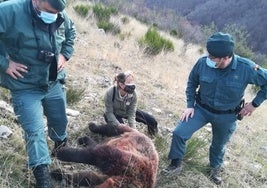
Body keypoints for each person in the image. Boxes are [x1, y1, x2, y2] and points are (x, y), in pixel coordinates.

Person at [162, 32, 267, 185]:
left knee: (218, 145)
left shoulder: (246, 68)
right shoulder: (202, 63)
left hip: (227, 116)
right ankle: (175, 163)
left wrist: (254, 104)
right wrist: (190, 106)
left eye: (213, 58)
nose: (208, 59)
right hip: (202, 110)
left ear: (225, 57)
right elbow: (192, 82)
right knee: (179, 133)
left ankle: (214, 169)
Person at [0, 0, 76, 187]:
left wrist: (63, 55)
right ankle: (42, 176)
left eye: (57, 13)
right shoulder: (8, 11)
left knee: (59, 121)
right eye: (49, 11)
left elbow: (70, 33)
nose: (54, 16)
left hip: (52, 82)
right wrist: (4, 63)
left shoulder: (59, 14)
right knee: (34, 132)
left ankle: (60, 147)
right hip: (24, 85)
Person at [103, 71, 158, 135]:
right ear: (121, 84)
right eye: (129, 82)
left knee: (152, 120)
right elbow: (109, 113)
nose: (132, 85)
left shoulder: (133, 94)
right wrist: (120, 126)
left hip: (126, 111)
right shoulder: (110, 93)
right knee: (121, 132)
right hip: (113, 113)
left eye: (132, 81)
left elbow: (131, 113)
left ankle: (152, 136)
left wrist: (133, 130)